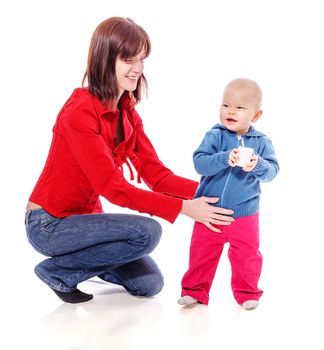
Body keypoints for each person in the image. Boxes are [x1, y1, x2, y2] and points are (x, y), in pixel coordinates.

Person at [24, 17, 234, 304]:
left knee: (150, 284)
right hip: (49, 224)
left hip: (87, 223)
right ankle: (57, 271)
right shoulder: (79, 112)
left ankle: (80, 264)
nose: (137, 69)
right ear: (105, 59)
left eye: (141, 60)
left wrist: (218, 191)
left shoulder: (129, 116)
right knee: (147, 231)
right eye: (128, 60)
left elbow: (158, 176)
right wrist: (185, 208)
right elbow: (113, 188)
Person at [178, 78, 279, 310]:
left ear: (256, 115)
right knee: (201, 254)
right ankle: (194, 291)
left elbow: (272, 172)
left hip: (245, 215)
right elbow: (200, 163)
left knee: (247, 257)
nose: (230, 111)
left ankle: (247, 293)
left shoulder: (262, 142)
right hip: (209, 212)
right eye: (225, 105)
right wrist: (224, 158)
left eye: (239, 107)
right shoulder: (215, 135)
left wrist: (257, 164)